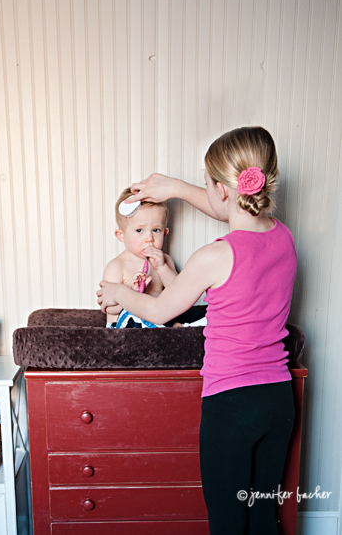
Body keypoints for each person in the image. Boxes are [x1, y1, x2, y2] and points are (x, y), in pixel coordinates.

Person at [97, 126, 296, 535]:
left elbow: (159, 309)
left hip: (232, 404)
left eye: (206, 185)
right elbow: (231, 209)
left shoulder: (213, 257)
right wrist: (177, 188)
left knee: (227, 521)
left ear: (221, 190)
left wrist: (118, 291)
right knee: (262, 517)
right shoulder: (284, 237)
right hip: (278, 399)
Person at [103, 187, 177, 327]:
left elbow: (178, 295)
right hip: (123, 328)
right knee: (135, 316)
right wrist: (130, 295)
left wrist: (162, 268)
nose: (149, 238)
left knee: (173, 320)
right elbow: (108, 308)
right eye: (139, 230)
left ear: (164, 233)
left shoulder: (165, 261)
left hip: (156, 321)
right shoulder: (117, 266)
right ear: (122, 235)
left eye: (156, 230)